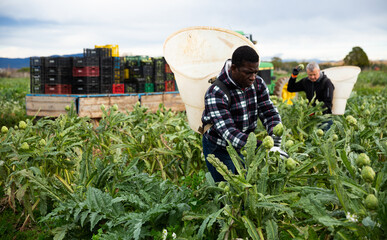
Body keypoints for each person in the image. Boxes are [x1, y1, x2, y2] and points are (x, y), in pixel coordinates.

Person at [201, 45, 287, 182]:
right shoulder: (216, 92)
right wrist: (262, 147)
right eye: (248, 72)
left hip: (244, 145)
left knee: (245, 185)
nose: (253, 77)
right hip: (219, 147)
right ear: (234, 68)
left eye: (255, 72)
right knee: (229, 190)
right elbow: (229, 133)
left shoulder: (258, 84)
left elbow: (269, 112)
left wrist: (275, 142)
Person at [287, 62, 335, 130]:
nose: (312, 77)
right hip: (311, 120)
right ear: (307, 73)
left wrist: (314, 111)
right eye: (310, 75)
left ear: (319, 71)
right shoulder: (306, 82)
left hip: (325, 119)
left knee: (326, 139)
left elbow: (328, 104)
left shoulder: (326, 83)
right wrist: (294, 76)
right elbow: (291, 88)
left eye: (314, 74)